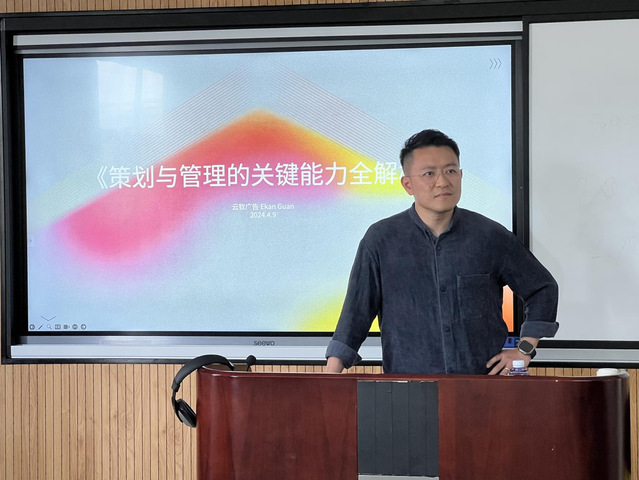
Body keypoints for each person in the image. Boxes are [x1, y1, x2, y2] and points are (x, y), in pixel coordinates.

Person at [325, 129, 558, 375]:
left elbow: (542, 288)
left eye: (450, 171)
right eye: (429, 173)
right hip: (407, 389)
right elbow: (355, 315)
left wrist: (524, 349)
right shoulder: (381, 239)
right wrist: (327, 382)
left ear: (461, 175)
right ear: (408, 184)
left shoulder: (490, 236)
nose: (442, 182)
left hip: (483, 385)